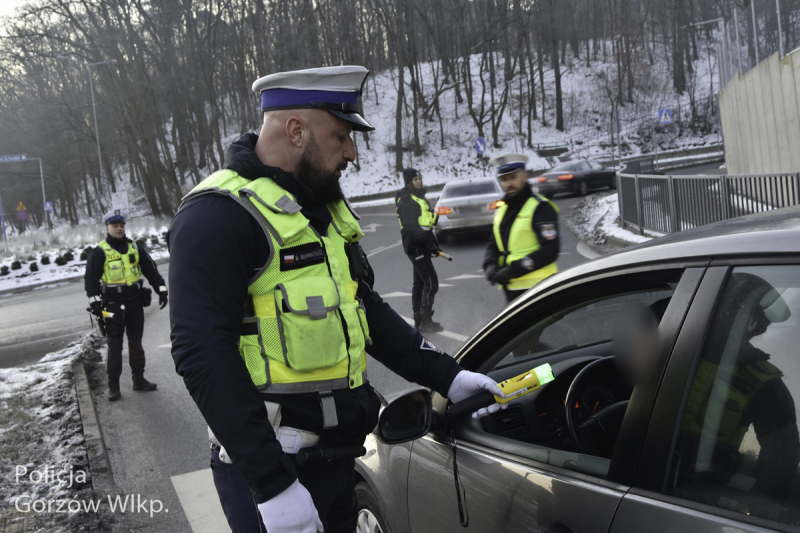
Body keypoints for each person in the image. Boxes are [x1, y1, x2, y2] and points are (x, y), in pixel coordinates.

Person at [167, 66, 504, 533]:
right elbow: (201, 355)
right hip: (274, 472)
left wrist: (449, 376)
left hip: (337, 462)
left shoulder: (319, 207)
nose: (351, 153)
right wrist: (273, 486)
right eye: (341, 136)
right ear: (296, 130)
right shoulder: (217, 215)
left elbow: (364, 310)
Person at [84, 210, 168, 401]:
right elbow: (90, 281)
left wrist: (161, 289)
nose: (119, 229)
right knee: (114, 345)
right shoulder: (99, 252)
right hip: (111, 305)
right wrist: (95, 303)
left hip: (134, 302)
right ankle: (113, 387)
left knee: (136, 343)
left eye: (122, 225)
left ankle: (138, 379)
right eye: (115, 226)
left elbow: (151, 271)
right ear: (107, 228)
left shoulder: (134, 248)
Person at [483, 153, 560, 303]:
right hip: (512, 288)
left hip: (540, 288)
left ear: (525, 177)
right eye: (504, 180)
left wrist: (512, 270)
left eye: (513, 177)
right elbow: (494, 244)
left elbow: (550, 250)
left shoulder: (540, 207)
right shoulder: (504, 209)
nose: (509, 184)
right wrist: (489, 265)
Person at [395, 167, 443, 332]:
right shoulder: (406, 200)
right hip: (415, 246)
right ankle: (425, 320)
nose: (418, 181)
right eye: (415, 180)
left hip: (421, 244)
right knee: (431, 282)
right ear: (409, 182)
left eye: (419, 179)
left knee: (420, 283)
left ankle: (418, 319)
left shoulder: (419, 198)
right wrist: (429, 245)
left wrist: (434, 244)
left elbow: (427, 225)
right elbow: (412, 228)